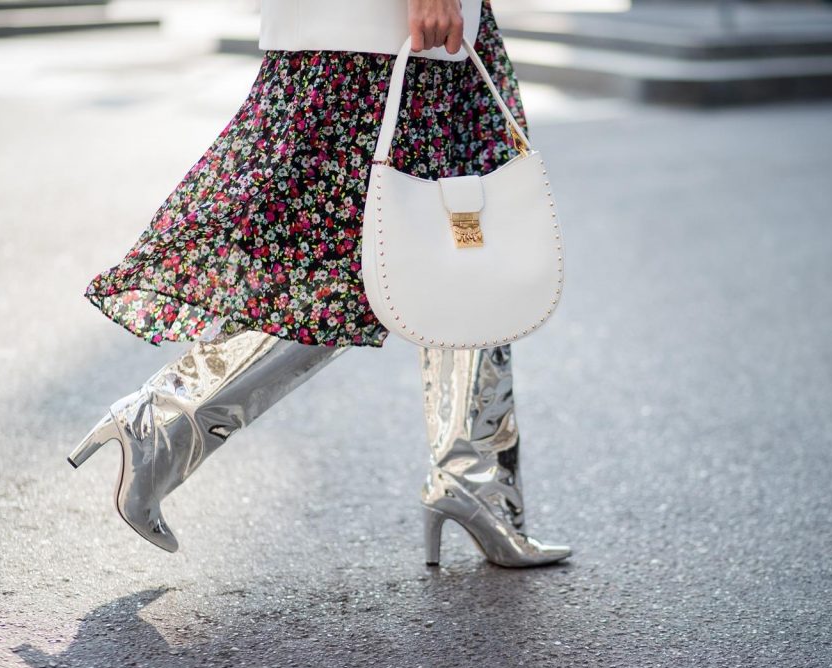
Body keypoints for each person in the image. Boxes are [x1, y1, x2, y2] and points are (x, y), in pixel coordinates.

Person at [67, 0, 571, 568]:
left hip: (436, 39)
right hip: (374, 37)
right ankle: (164, 422)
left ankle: (478, 478)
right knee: (337, 272)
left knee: (469, 254)